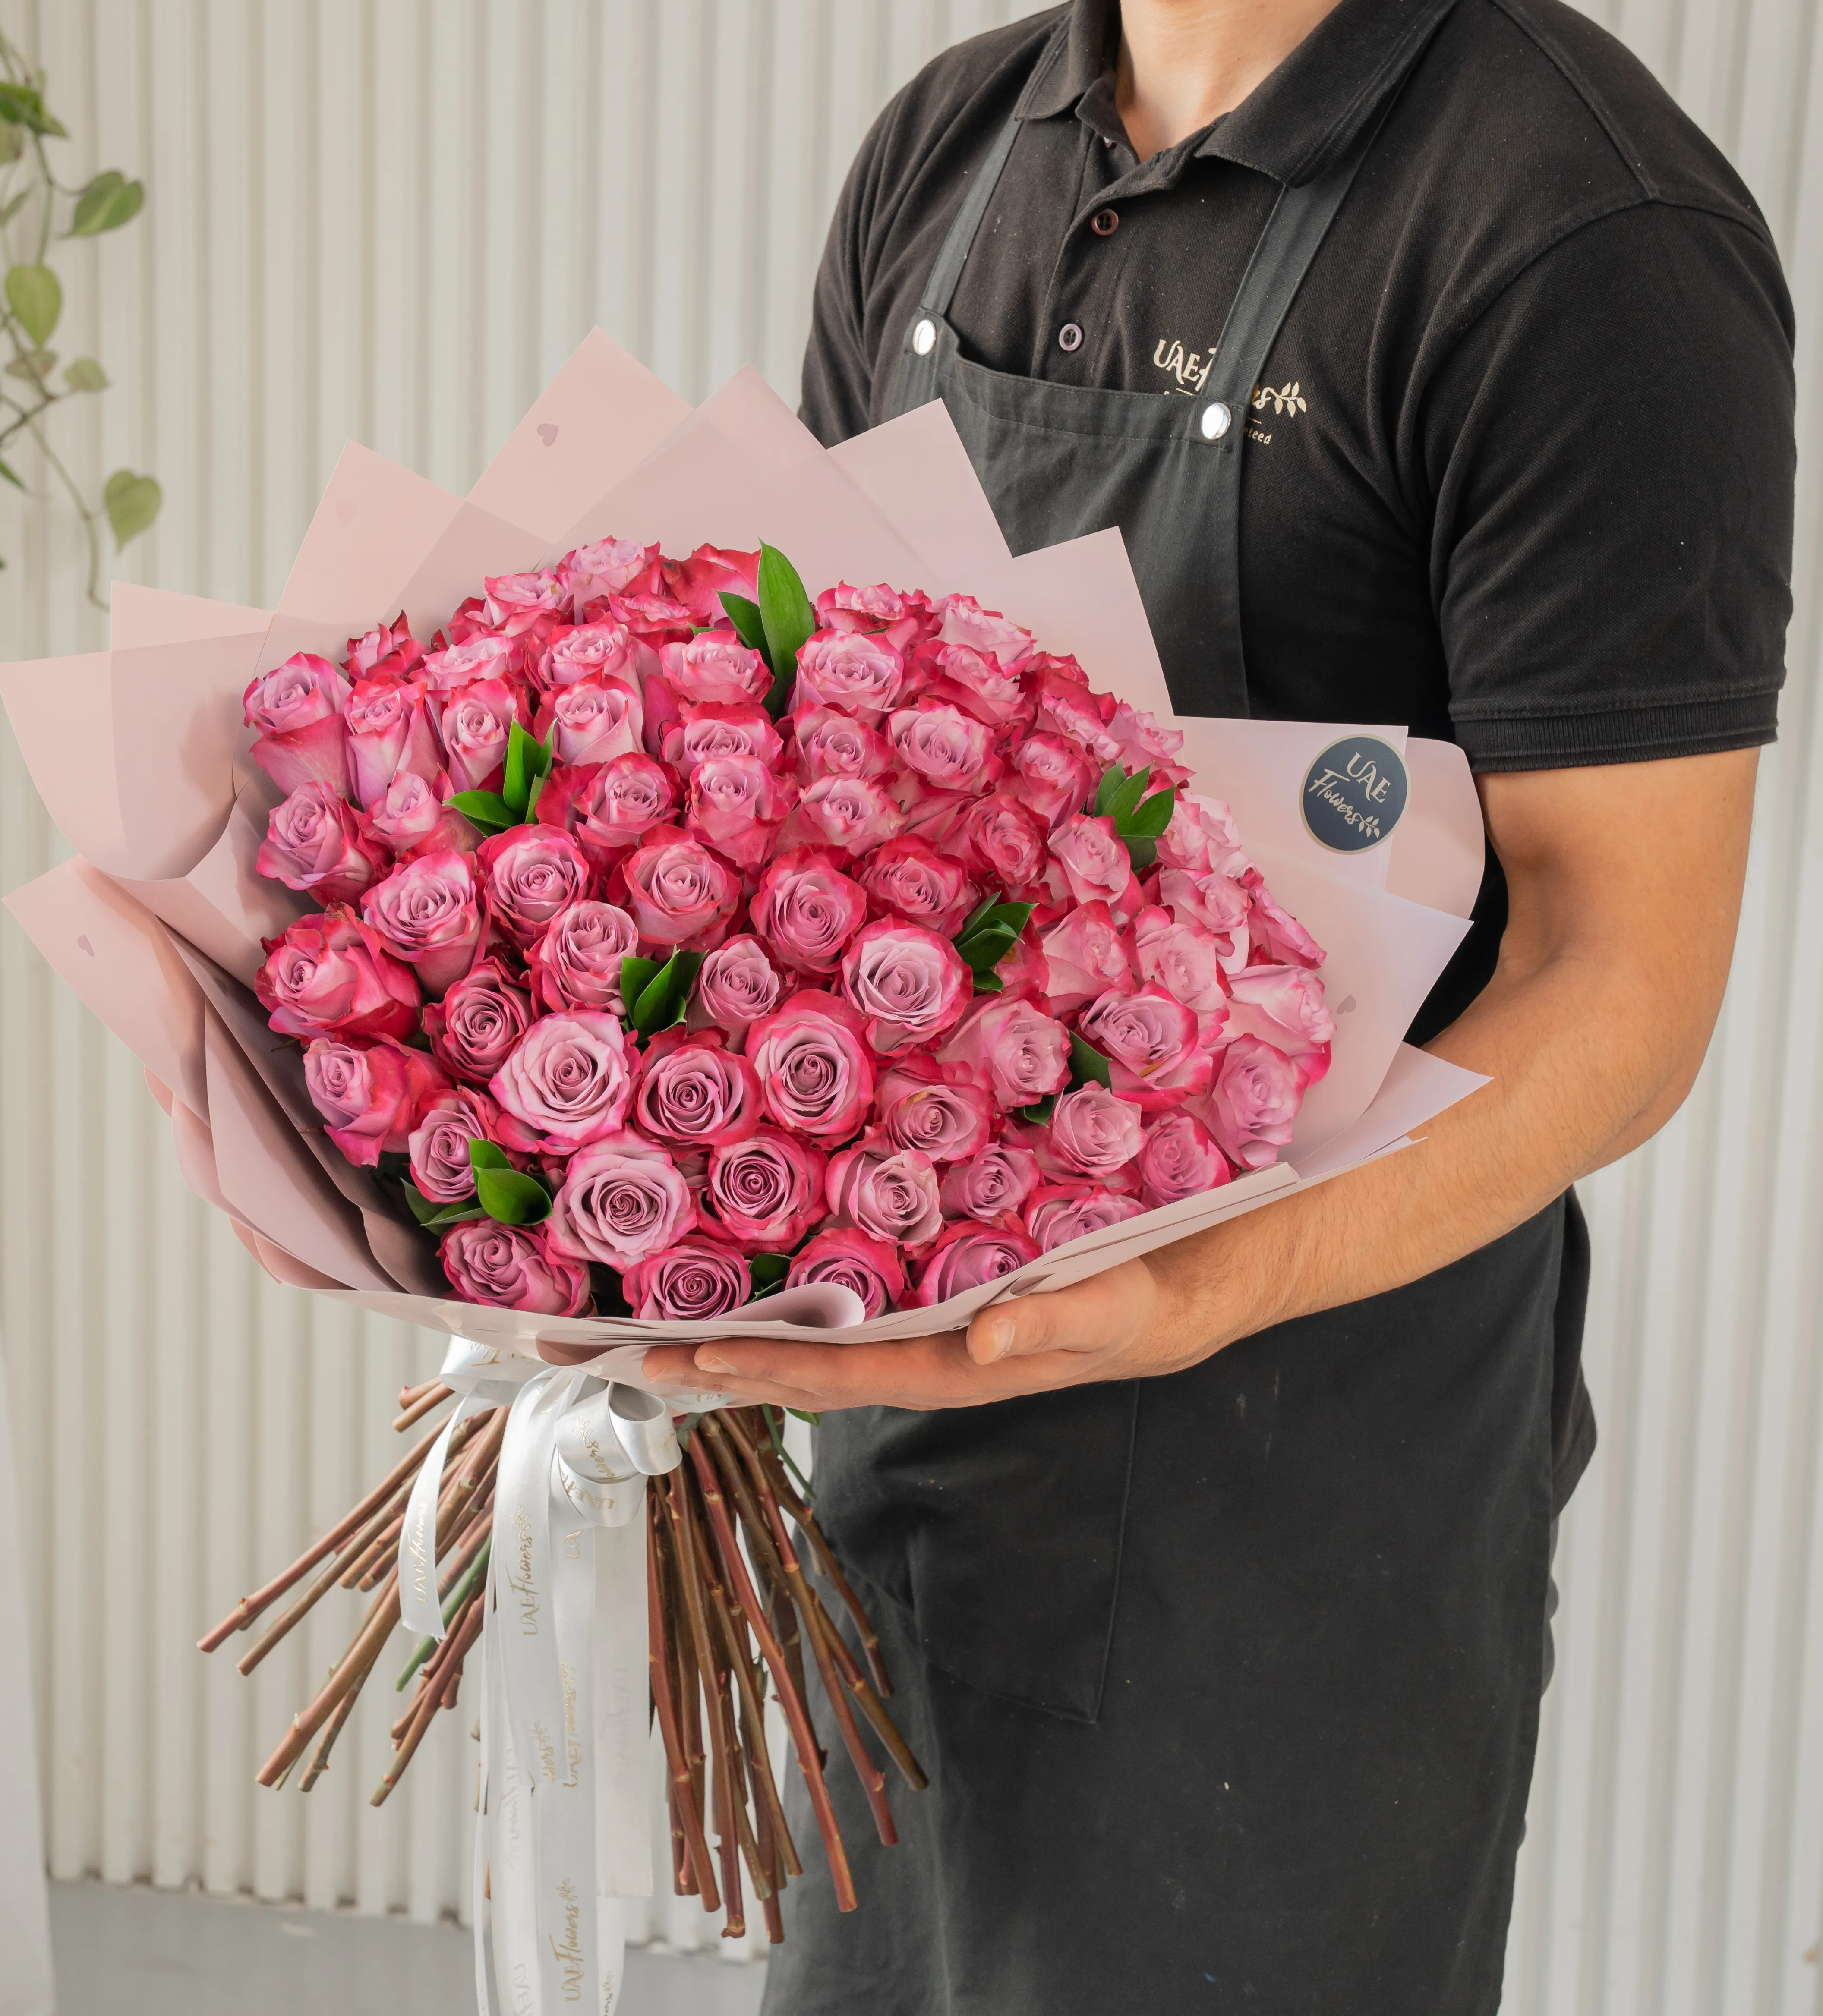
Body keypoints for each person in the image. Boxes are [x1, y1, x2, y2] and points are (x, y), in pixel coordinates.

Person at [643, 0, 1794, 2004]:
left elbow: (1624, 976)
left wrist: (1211, 1273)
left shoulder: (1581, 234)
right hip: (924, 1430)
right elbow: (802, 760)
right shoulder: (955, 145)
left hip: (1304, 1474)